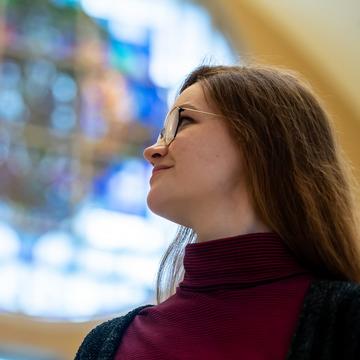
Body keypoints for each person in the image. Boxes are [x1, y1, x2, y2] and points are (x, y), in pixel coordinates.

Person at [75, 65, 360, 360]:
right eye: (161, 133)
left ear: (262, 141)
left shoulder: (347, 321)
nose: (153, 150)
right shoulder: (105, 346)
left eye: (183, 122)